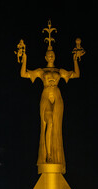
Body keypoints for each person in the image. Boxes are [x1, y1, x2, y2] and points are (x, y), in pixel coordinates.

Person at [20, 44, 82, 173]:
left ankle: (55, 156)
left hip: (58, 98)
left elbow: (76, 74)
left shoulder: (59, 71)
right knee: (49, 123)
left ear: (54, 56)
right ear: (45, 57)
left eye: (52, 55)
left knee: (56, 127)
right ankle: (48, 154)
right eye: (48, 55)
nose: (50, 56)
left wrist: (75, 59)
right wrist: (24, 58)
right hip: (46, 97)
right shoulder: (41, 71)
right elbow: (24, 74)